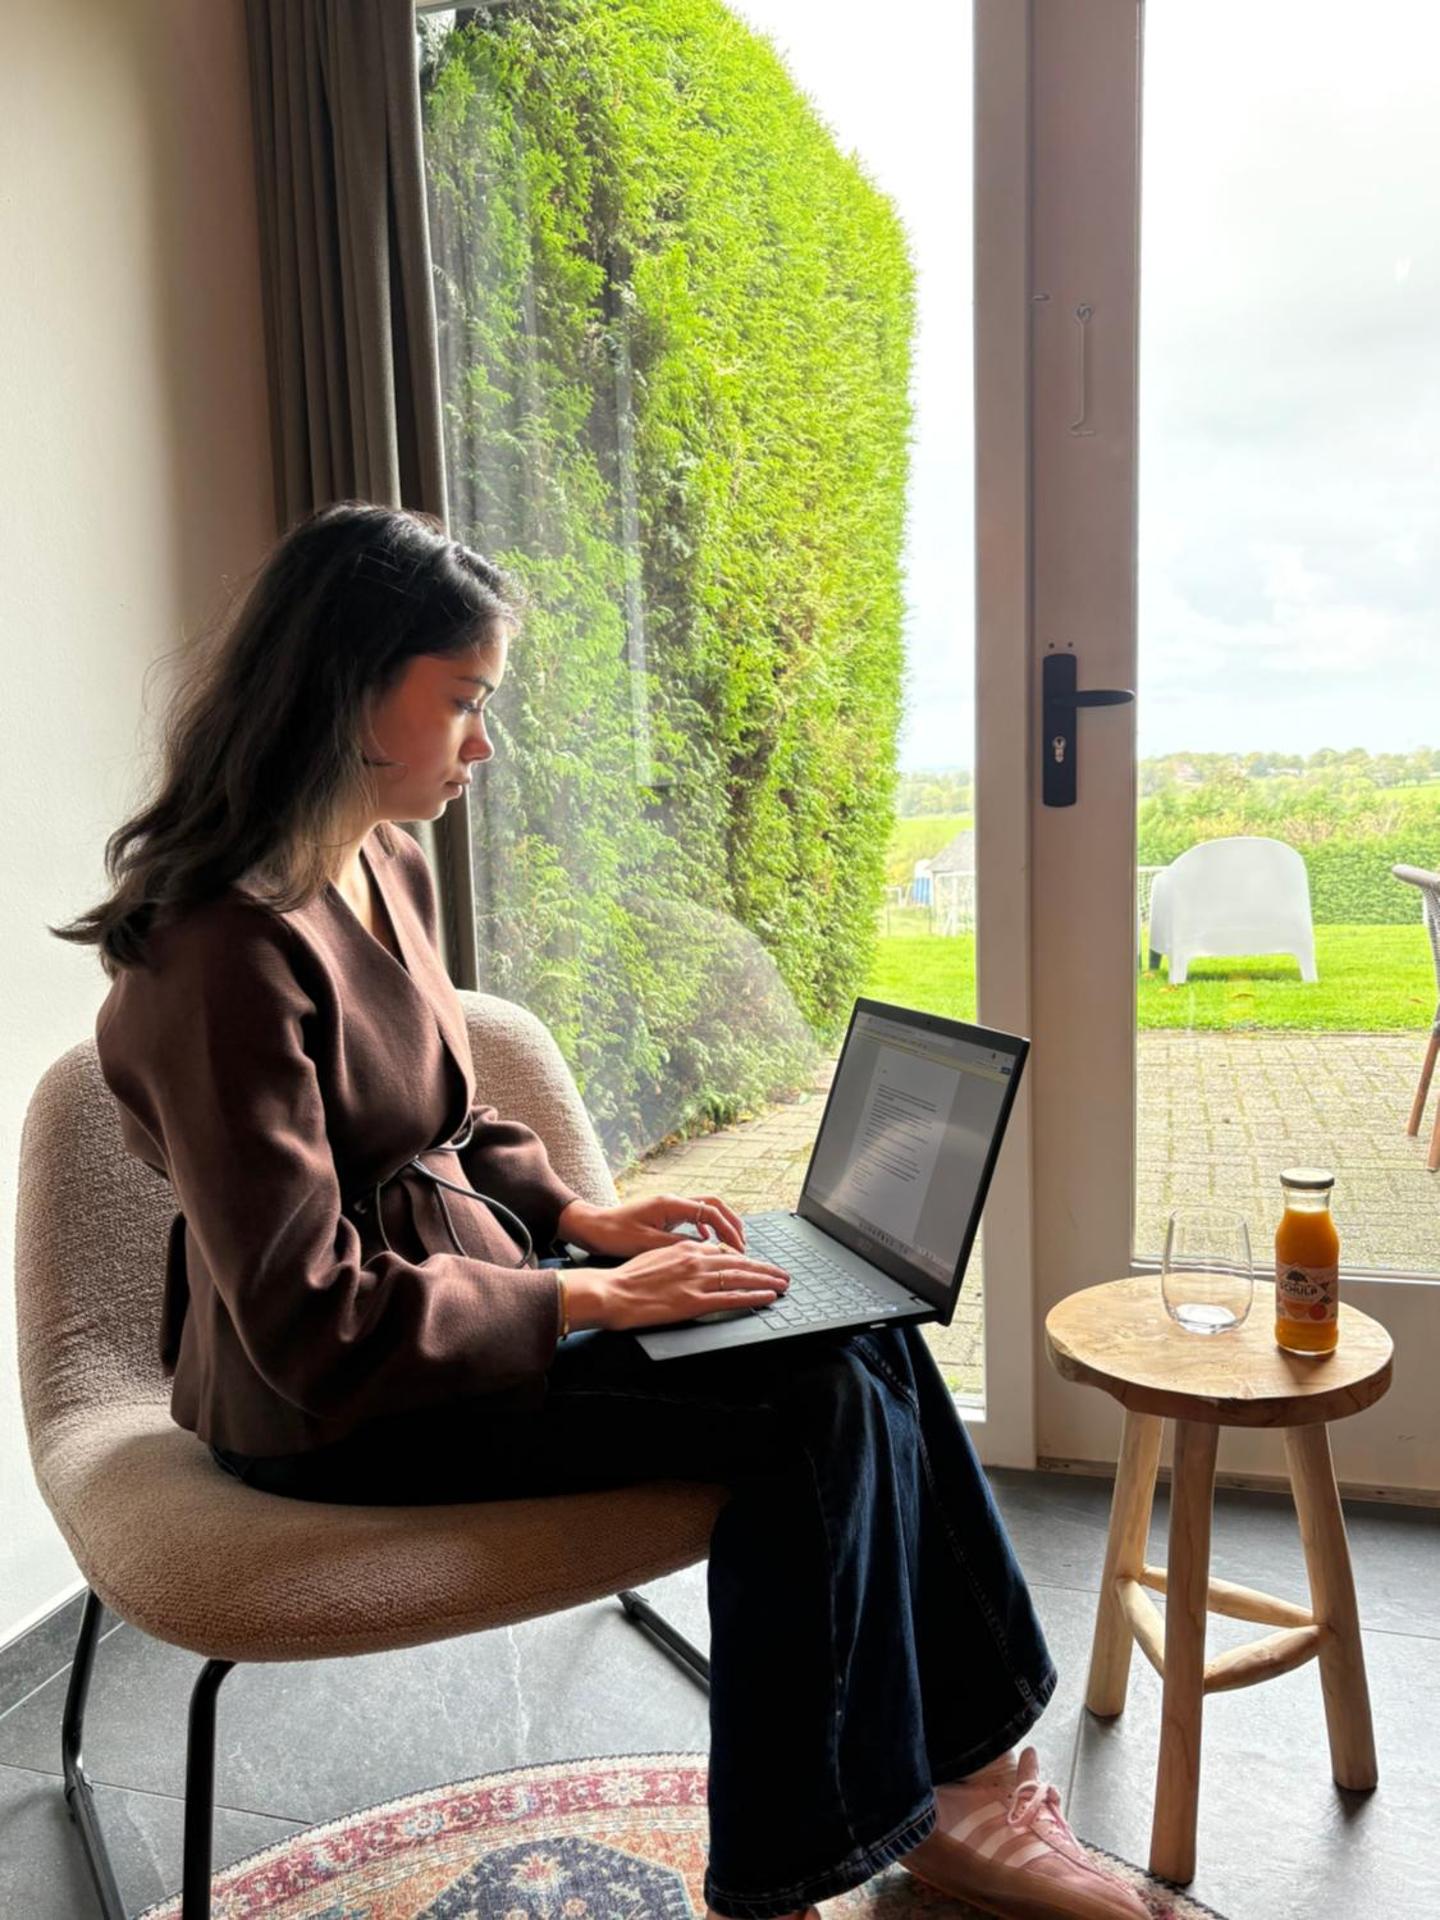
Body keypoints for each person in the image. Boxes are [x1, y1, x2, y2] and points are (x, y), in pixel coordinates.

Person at [58, 503, 1148, 1920]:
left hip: (472, 1316)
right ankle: (797, 1865)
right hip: (327, 1411)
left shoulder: (380, 855)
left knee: (862, 1329)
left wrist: (588, 1218)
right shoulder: (220, 954)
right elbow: (304, 1320)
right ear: (349, 688)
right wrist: (582, 1298)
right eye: (464, 701)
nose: (485, 745)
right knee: (811, 1406)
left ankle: (969, 1778)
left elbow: (442, 1125)